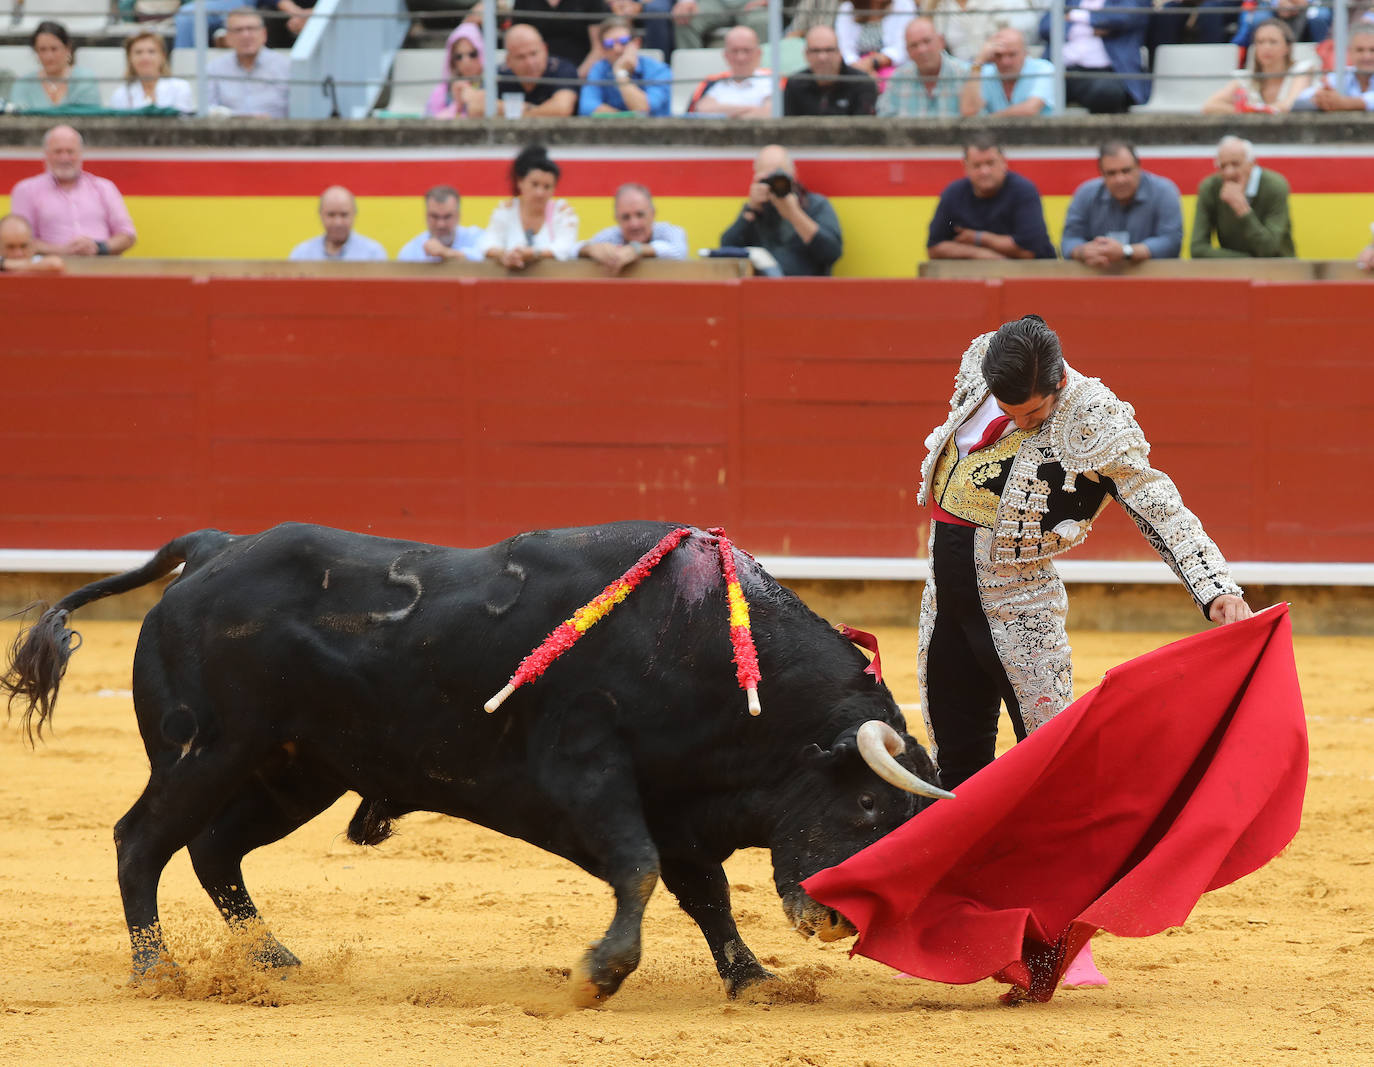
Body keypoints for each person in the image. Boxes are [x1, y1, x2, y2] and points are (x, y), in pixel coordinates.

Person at [914, 314, 1252, 980]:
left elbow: (1158, 504)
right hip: (944, 601)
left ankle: (1060, 937)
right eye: (1009, 410)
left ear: (1059, 380)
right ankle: (954, 928)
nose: (1018, 422)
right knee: (956, 772)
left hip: (1023, 613)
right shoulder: (986, 357)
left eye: (1033, 413)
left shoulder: (1093, 416)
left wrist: (1216, 587)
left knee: (1052, 780)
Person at [9, 126, 137, 258]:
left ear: (80, 154)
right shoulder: (26, 190)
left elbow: (128, 236)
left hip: (102, 268)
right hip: (49, 271)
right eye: (58, 152)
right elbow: (19, 242)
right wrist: (63, 251)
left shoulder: (105, 188)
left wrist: (99, 247)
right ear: (46, 155)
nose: (64, 158)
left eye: (70, 152)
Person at [718, 144, 843, 277]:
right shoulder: (755, 210)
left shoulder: (815, 205)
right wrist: (750, 210)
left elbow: (832, 252)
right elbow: (727, 250)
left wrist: (795, 214)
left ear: (793, 174)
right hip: (761, 292)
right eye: (768, 179)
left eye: (780, 177)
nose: (776, 184)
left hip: (808, 291)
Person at [927, 134, 1055, 261]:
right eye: (977, 165)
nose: (985, 171)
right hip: (974, 276)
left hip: (1030, 276)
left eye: (990, 163)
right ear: (965, 167)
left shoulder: (1023, 190)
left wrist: (978, 238)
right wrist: (979, 254)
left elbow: (1031, 251)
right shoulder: (953, 193)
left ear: (1004, 163)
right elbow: (934, 248)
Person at [1061, 141, 1183, 265]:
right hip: (1099, 277)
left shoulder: (1163, 191)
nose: (1120, 179)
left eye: (1126, 171)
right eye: (1111, 173)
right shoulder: (1086, 193)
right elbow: (1069, 240)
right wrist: (1083, 252)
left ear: (1139, 167)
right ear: (1102, 174)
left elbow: (1171, 242)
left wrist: (1126, 252)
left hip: (1152, 280)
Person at [1190, 136, 1295, 258]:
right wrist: (1246, 260)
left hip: (1280, 269)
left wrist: (1242, 209)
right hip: (1233, 271)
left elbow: (1268, 249)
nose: (1229, 172)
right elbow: (1197, 249)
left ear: (1253, 164)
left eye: (1235, 164)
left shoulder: (1275, 186)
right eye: (1222, 166)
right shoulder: (1210, 188)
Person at [1038, 0, 1151, 113]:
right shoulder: (1069, 1)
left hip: (1107, 74)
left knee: (1107, 93)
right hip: (1062, 72)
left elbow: (1123, 17)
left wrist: (1074, 16)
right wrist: (1091, 27)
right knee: (1035, 90)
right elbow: (1045, 27)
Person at [479, 145, 581, 269]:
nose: (540, 193)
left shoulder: (562, 212)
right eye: (534, 184)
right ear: (520, 182)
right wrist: (504, 255)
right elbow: (487, 244)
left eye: (547, 187)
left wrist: (534, 253)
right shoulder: (506, 210)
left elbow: (565, 248)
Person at [1202, 18, 1316, 114]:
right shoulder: (1245, 78)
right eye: (1260, 42)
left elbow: (1290, 105)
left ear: (1287, 47)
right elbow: (1210, 106)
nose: (1266, 47)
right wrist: (1247, 111)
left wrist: (1256, 111)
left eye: (1273, 42)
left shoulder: (1302, 70)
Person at [578, 182, 688, 274]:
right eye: (626, 217)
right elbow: (569, 250)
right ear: (617, 219)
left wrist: (637, 249)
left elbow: (680, 251)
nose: (634, 224)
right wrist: (588, 250)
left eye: (640, 215)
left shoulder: (668, 231)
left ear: (653, 214)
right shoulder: (611, 236)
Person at [579, 15, 673, 116]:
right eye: (609, 44)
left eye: (623, 41)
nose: (617, 49)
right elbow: (587, 107)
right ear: (602, 49)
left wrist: (621, 74)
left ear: (636, 43)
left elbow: (644, 108)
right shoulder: (599, 68)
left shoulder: (659, 70)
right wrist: (623, 119)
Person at [206, 8, 291, 118]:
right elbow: (208, 109)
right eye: (238, 30)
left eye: (251, 29)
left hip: (279, 133)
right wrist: (243, 118)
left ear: (264, 33)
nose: (245, 35)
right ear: (227, 37)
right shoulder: (214, 68)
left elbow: (299, 112)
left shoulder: (286, 67)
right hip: (229, 132)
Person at [878, 17, 969, 118]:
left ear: (941, 42)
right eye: (914, 45)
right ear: (907, 51)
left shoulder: (964, 75)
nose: (921, 50)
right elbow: (884, 122)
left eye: (927, 41)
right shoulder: (898, 79)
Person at [783, 25, 878, 116]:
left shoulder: (862, 83)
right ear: (806, 54)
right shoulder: (795, 84)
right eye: (816, 51)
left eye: (829, 50)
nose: (822, 57)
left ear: (840, 52)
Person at [959, 27, 1056, 116]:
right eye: (998, 55)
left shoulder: (1044, 68)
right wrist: (979, 61)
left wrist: (986, 122)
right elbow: (969, 112)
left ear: (1025, 53)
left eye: (1012, 54)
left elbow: (1030, 110)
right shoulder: (985, 72)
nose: (1005, 62)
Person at [7, 21, 101, 112]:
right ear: (36, 51)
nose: (49, 56)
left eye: (54, 49)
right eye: (43, 49)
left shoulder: (85, 79)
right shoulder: (23, 84)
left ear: (67, 48)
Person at [687, 25, 776, 116]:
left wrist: (724, 113)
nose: (740, 57)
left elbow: (769, 114)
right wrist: (752, 109)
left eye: (747, 50)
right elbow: (701, 110)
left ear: (759, 53)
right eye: (735, 51)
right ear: (725, 55)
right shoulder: (712, 82)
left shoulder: (774, 80)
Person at [496, 24, 581, 118]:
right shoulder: (500, 75)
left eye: (533, 54)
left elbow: (562, 109)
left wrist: (516, 111)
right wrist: (536, 110)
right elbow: (478, 105)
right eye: (520, 57)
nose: (530, 63)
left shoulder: (563, 69)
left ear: (545, 49)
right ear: (508, 60)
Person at [921, 0, 1040, 65]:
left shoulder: (1002, 3)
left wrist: (980, 61)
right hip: (957, 74)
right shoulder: (938, 6)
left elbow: (1014, 41)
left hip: (996, 68)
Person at [288, 186, 388, 261]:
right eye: (331, 215)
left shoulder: (373, 254)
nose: (338, 222)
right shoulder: (302, 254)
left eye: (344, 215)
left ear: (354, 214)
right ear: (321, 215)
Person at [1292, 23, 1374, 112]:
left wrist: (1346, 103)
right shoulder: (1343, 74)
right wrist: (1320, 97)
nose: (1367, 56)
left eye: (1372, 50)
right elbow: (1302, 98)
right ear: (1350, 52)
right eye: (1360, 50)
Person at [109, 31, 195, 114]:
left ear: (163, 56)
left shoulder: (180, 88)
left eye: (151, 51)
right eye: (138, 52)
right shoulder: (120, 94)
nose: (145, 58)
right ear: (129, 58)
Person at [514, 0, 608, 75]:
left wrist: (575, 79)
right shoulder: (523, 2)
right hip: (537, 78)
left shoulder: (592, 2)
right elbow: (517, 42)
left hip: (582, 74)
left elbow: (598, 48)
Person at [396, 185, 484, 264]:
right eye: (434, 216)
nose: (441, 224)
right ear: (426, 216)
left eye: (447, 217)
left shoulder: (477, 238)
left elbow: (488, 261)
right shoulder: (411, 252)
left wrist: (446, 253)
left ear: (458, 216)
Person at [835, 0, 918, 81]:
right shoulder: (847, 8)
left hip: (889, 65)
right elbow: (844, 49)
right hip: (855, 67)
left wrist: (872, 62)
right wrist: (860, 68)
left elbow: (901, 48)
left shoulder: (904, 4)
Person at [426, 23, 486, 118]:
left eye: (472, 54)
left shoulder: (494, 86)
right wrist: (457, 105)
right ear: (452, 61)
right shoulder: (442, 91)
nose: (466, 61)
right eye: (459, 57)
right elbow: (429, 123)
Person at [670, 0, 769, 52]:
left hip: (753, 2)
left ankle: (761, 77)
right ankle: (692, 80)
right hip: (712, 2)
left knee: (761, 22)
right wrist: (686, 1)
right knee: (684, 19)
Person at [1230, 0, 1330, 49]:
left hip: (1311, 4)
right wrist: (1277, 3)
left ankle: (1323, 57)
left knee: (1320, 17)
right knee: (1259, 19)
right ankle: (1259, 65)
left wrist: (1305, 2)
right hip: (1273, 4)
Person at [0, 215, 65, 274]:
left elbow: (55, 264)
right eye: (10, 247)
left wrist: (4, 264)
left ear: (32, 244)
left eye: (23, 246)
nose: (18, 253)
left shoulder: (36, 260)